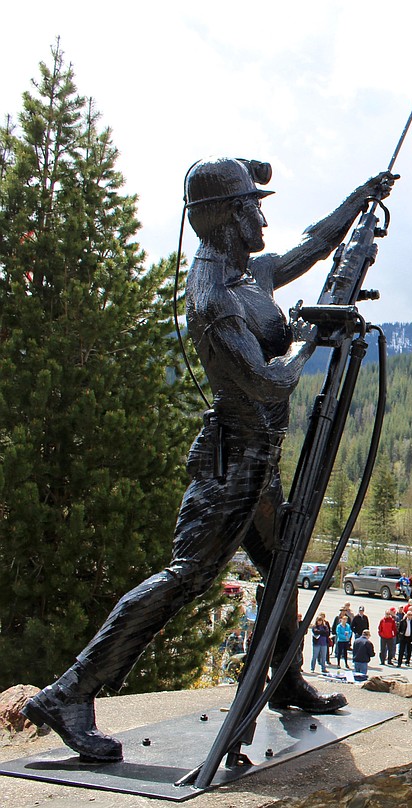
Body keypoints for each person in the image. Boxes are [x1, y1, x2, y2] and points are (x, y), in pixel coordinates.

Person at [21, 158, 390, 761]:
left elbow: (316, 244)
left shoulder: (249, 277)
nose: (261, 219)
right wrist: (314, 337)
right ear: (221, 218)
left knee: (282, 565)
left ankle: (285, 676)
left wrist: (362, 197)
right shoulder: (214, 297)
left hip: (260, 460)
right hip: (232, 463)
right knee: (187, 577)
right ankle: (70, 691)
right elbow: (267, 383)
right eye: (250, 208)